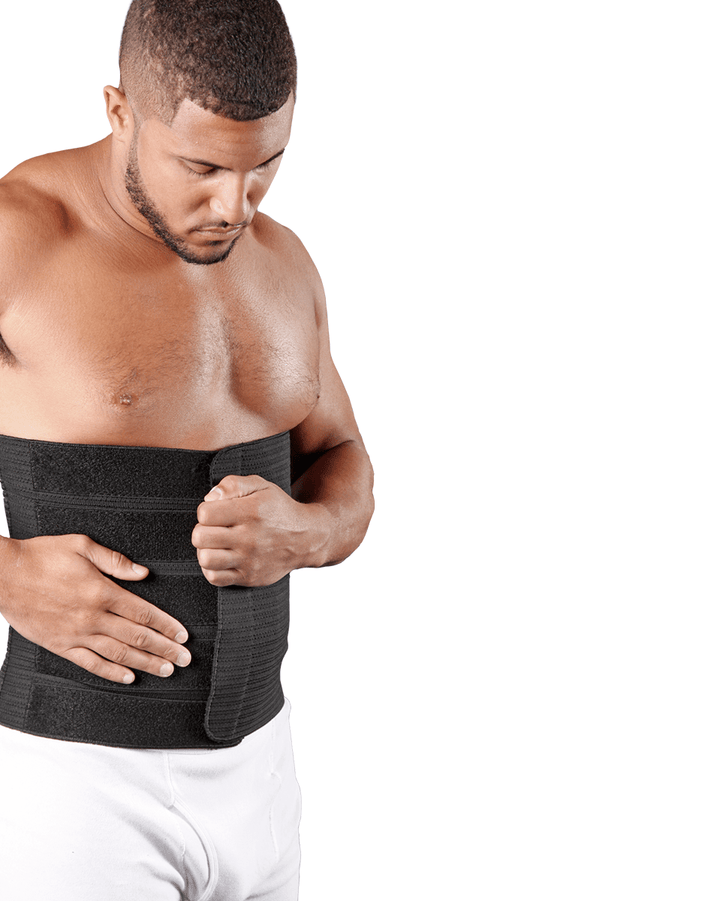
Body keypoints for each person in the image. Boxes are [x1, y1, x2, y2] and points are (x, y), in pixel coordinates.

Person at [0, 1, 374, 898]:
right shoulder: (19, 236)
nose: (233, 206)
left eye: (264, 166)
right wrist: (4, 575)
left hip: (265, 772)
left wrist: (310, 532)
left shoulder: (285, 263)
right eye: (201, 166)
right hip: (79, 785)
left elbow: (343, 454)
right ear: (118, 110)